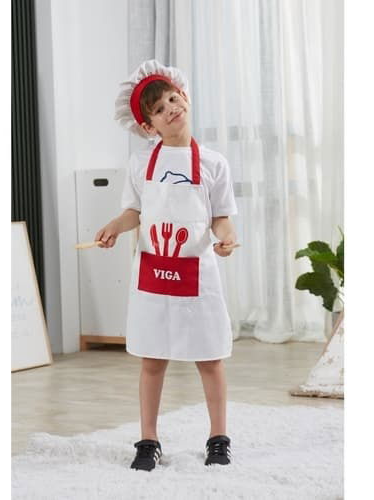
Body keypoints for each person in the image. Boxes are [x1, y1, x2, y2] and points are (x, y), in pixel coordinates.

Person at [95, 60, 238, 471]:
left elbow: (221, 216)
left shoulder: (213, 163)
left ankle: (218, 438)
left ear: (185, 98)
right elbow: (134, 212)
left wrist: (226, 236)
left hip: (198, 276)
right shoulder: (141, 165)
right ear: (148, 126)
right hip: (154, 275)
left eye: (173, 99)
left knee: (210, 357)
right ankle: (148, 440)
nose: (171, 109)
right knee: (152, 358)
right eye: (159, 109)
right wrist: (115, 226)